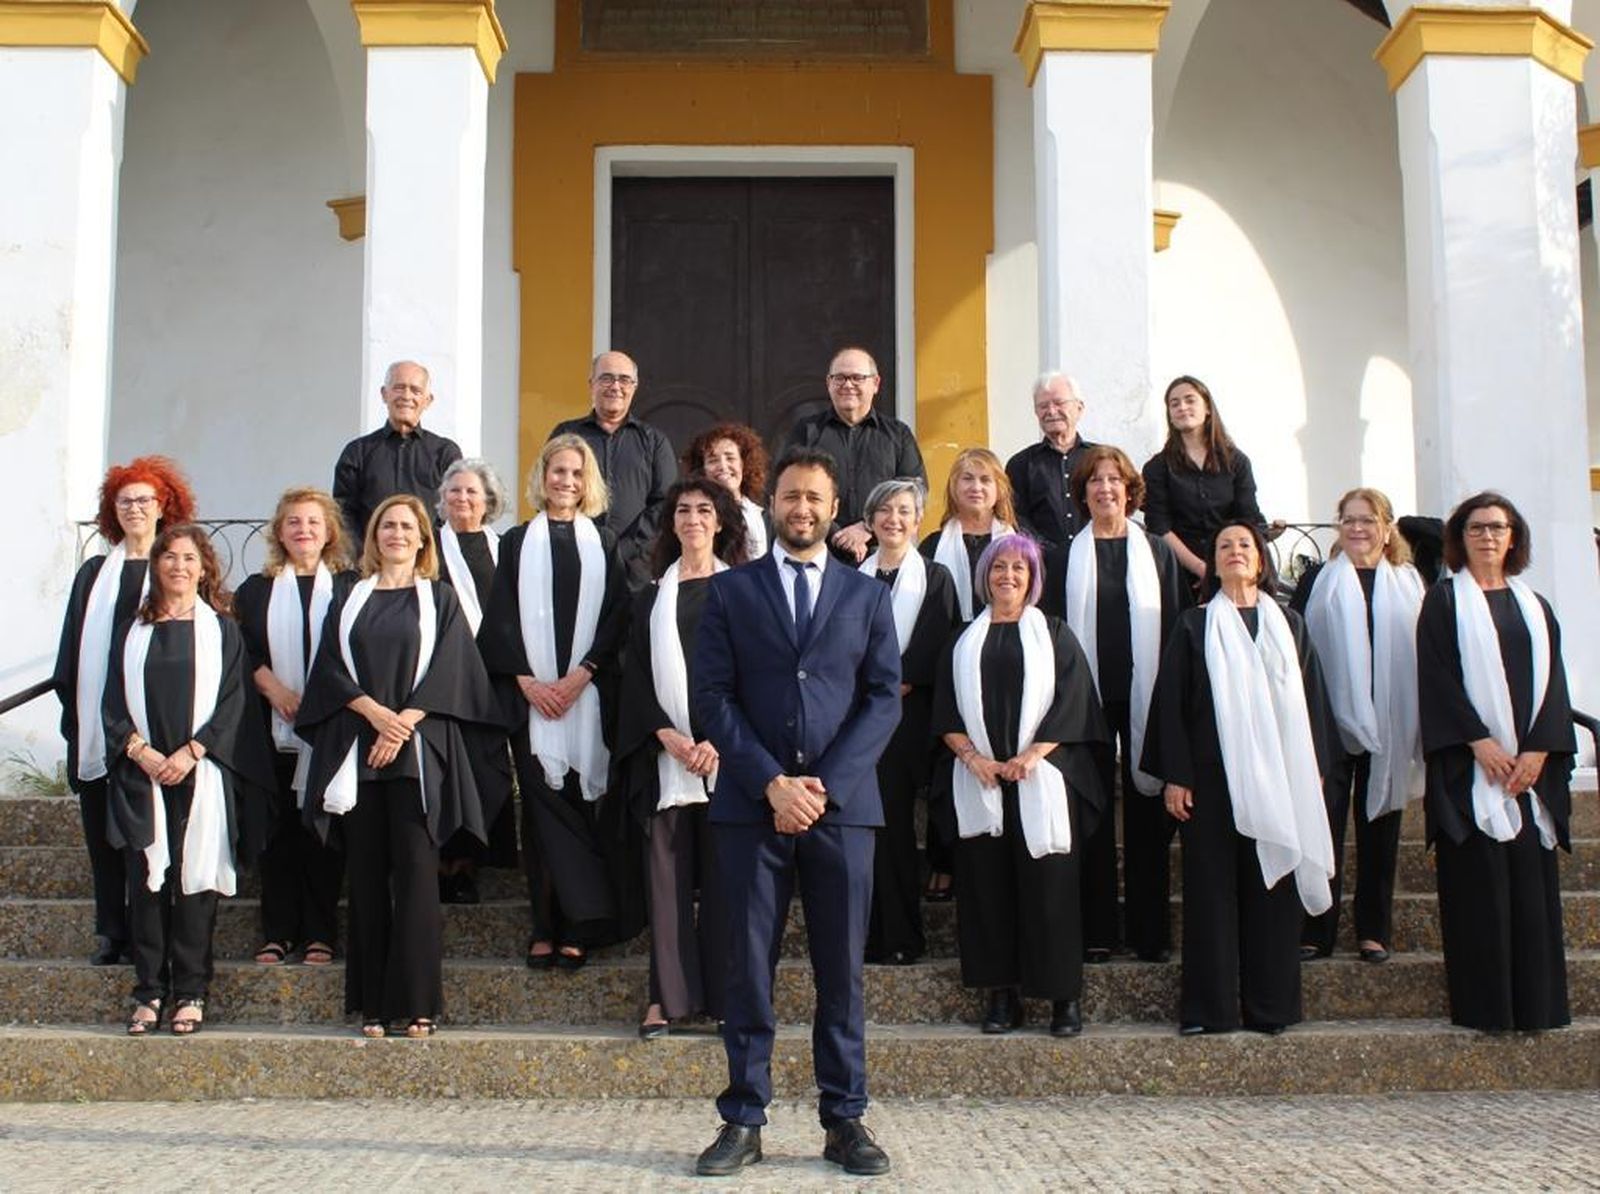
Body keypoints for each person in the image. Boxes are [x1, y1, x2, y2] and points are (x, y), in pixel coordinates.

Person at [691, 447, 901, 1178]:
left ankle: (845, 1119)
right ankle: (743, 1118)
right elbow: (710, 698)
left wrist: (822, 788)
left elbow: (881, 699)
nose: (802, 508)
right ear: (770, 503)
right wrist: (772, 783)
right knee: (748, 970)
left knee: (840, 972)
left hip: (842, 814)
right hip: (752, 812)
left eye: (814, 497)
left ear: (833, 507)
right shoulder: (730, 592)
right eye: (790, 496)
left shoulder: (868, 597)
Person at [295, 494, 502, 1038]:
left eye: (408, 526)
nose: (397, 534)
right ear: (374, 536)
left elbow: (453, 670)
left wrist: (402, 724)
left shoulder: (441, 599)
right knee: (364, 879)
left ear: (422, 538)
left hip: (416, 753)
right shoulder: (351, 598)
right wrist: (375, 715)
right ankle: (371, 1003)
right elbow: (331, 672)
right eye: (387, 525)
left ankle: (417, 1003)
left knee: (415, 880)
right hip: (359, 752)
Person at [1142, 522, 1336, 1036]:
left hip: (1280, 777)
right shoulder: (1193, 625)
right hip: (1209, 780)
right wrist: (1176, 776)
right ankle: (1212, 1010)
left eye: (1244, 545)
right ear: (1212, 560)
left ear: (1261, 560)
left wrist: (1315, 766)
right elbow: (1172, 705)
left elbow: (1313, 698)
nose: (1234, 553)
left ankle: (1272, 1007)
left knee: (1272, 888)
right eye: (1224, 546)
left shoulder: (1289, 625)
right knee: (1210, 894)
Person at [931, 535, 1108, 1037]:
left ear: (1033, 579)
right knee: (987, 893)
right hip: (980, 780)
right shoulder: (962, 639)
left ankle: (1061, 999)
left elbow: (1074, 702)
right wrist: (975, 759)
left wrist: (1031, 755)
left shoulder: (1054, 633)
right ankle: (1000, 995)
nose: (1008, 575)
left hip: (1043, 780)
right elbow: (945, 708)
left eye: (1019, 569)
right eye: (998, 567)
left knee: (1050, 891)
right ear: (984, 575)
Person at [103, 525, 273, 1035]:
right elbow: (111, 701)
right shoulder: (132, 630)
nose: (179, 566)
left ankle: (192, 991)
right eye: (170, 557)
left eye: (189, 559)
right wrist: (142, 752)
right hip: (143, 773)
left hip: (202, 770)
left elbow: (233, 702)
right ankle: (150, 992)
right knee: (147, 883)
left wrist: (193, 751)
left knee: (195, 882)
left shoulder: (220, 630)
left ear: (204, 569)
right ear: (156, 565)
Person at [1416, 492, 1575, 1032]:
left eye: (1498, 528)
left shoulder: (1535, 605)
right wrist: (1477, 742)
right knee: (1479, 889)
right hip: (1472, 770)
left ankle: (1539, 1007)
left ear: (1514, 538)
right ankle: (1487, 1010)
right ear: (1460, 538)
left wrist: (1539, 749)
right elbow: (1435, 679)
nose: (1488, 537)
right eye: (1477, 528)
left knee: (1532, 894)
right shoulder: (1442, 601)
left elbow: (1555, 683)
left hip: (1530, 770)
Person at [477, 435, 633, 971]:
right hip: (532, 701)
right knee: (540, 818)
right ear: (541, 477)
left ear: (586, 482)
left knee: (583, 810)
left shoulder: (606, 543)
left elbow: (618, 615)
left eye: (574, 473)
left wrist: (580, 675)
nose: (565, 481)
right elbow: (499, 618)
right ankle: (544, 925)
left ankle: (579, 923)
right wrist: (527, 682)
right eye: (556, 471)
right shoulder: (516, 543)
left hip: (587, 696)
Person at [614, 476, 749, 1039]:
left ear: (719, 522)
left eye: (704, 510)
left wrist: (719, 738)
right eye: (683, 510)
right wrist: (665, 733)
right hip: (665, 757)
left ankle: (723, 996)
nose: (693, 518)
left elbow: (754, 672)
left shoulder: (743, 591)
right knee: (665, 882)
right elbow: (635, 675)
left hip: (728, 757)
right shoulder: (649, 597)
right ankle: (663, 998)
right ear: (672, 523)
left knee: (724, 882)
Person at [53, 456, 197, 966]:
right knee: (104, 834)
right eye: (125, 501)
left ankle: (153, 931)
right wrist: (80, 720)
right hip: (102, 724)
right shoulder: (95, 573)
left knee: (153, 835)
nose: (136, 509)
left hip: (159, 725)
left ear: (165, 508)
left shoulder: (175, 567)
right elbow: (72, 648)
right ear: (113, 511)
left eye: (145, 500)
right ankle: (113, 929)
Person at [1054, 446, 1184, 964]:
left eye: (1115, 480)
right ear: (1082, 494)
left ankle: (1150, 932)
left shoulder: (1158, 551)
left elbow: (1175, 628)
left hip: (1148, 696)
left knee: (1148, 815)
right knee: (1092, 812)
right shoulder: (1065, 556)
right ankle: (1098, 930)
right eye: (1095, 481)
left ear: (1130, 491)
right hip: (1086, 701)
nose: (1105, 489)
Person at [1291, 488, 1425, 964]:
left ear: (1387, 528)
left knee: (1380, 827)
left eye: (1367, 520)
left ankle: (1373, 930)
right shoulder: (1318, 582)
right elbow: (1299, 653)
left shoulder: (1409, 583)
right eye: (1348, 520)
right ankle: (1316, 929)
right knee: (1323, 826)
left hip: (1389, 720)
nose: (1357, 528)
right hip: (1328, 722)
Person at [233, 487, 354, 967]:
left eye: (313, 522)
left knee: (324, 832)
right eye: (293, 522)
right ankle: (278, 932)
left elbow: (355, 650)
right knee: (277, 830)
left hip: (331, 727)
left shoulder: (350, 586)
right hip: (271, 727)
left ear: (328, 533)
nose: (303, 530)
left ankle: (321, 932)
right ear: (279, 532)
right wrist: (276, 692)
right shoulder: (255, 590)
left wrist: (318, 703)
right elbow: (241, 650)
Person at [858, 478, 958, 965]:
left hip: (908, 718)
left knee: (896, 826)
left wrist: (891, 681)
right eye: (884, 511)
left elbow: (936, 642)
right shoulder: (854, 577)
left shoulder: (936, 578)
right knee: (867, 828)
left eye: (904, 511)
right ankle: (868, 932)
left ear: (918, 521)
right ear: (871, 520)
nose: (894, 519)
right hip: (859, 719)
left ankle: (901, 937)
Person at [434, 458, 518, 903]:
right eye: (454, 491)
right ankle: (443, 863)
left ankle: (471, 863)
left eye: (472, 492)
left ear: (489, 501)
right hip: (443, 682)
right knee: (447, 773)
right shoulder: (427, 548)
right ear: (442, 500)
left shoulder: (506, 548)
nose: (463, 499)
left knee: (486, 770)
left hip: (494, 677)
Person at [781, 347, 925, 564]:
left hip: (883, 556)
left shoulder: (898, 435)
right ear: (828, 383)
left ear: (875, 384)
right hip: (820, 556)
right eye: (839, 378)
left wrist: (867, 527)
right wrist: (837, 534)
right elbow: (788, 487)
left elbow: (914, 492)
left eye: (857, 378)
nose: (847, 385)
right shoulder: (806, 432)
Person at [548, 350, 677, 587]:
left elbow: (665, 504)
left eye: (624, 379)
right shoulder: (566, 435)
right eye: (606, 378)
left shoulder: (654, 441)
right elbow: (548, 491)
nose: (616, 386)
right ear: (591, 385)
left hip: (635, 571)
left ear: (634, 387)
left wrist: (625, 549)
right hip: (573, 562)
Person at [1141, 376, 1265, 601]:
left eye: (1190, 400)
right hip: (1180, 571)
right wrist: (1201, 568)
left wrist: (1224, 566)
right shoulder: (1157, 467)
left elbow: (1247, 517)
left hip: (1232, 565)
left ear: (1207, 407)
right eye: (1174, 403)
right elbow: (1159, 526)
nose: (1182, 407)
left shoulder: (1236, 461)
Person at [332, 359, 462, 545]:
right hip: (371, 565)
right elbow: (343, 513)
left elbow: (454, 510)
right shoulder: (357, 452)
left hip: (430, 564)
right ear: (384, 394)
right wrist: (363, 556)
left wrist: (434, 554)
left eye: (416, 390)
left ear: (427, 400)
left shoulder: (445, 452)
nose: (406, 396)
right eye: (399, 388)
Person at [920, 447, 1018, 623]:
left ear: (999, 489)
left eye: (985, 480)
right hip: (947, 642)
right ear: (954, 487)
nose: (976, 487)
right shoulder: (932, 546)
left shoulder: (1018, 544)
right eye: (967, 479)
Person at [1005, 373, 1099, 549]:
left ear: (1079, 408)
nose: (1051, 411)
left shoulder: (1100, 458)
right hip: (1044, 564)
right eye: (1043, 406)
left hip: (1096, 558)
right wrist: (1047, 551)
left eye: (1059, 403)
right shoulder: (1021, 464)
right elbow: (1016, 517)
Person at [685, 422, 770, 559]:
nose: (723, 467)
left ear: (744, 464)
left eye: (730, 458)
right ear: (702, 470)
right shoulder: (694, 516)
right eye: (713, 460)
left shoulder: (763, 516)